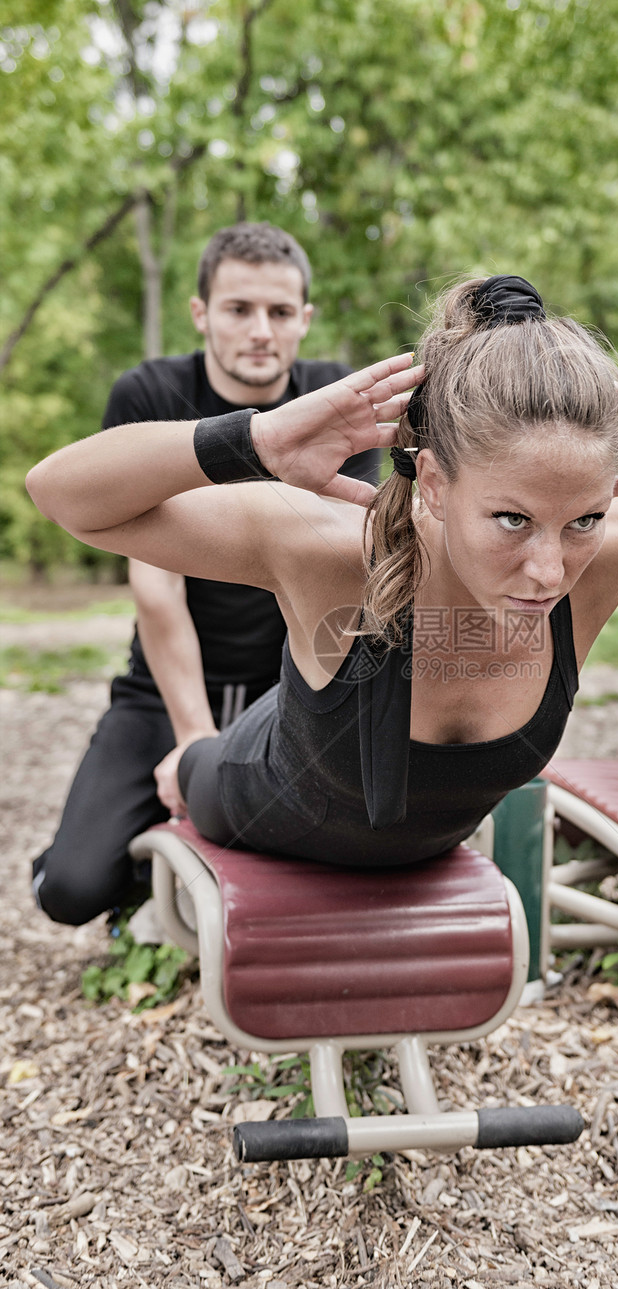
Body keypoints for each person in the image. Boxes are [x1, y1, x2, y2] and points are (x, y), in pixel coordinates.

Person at [26, 275, 618, 872]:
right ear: (434, 481)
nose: (550, 567)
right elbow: (63, 494)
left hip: (403, 841)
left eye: (585, 519)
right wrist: (257, 442)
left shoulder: (608, 557)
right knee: (178, 785)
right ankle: (182, 766)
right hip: (251, 790)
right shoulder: (327, 549)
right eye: (512, 519)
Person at [31, 222, 378, 923]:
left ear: (304, 321)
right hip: (160, 688)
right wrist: (193, 738)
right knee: (69, 890)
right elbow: (155, 588)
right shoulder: (151, 394)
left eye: (280, 313)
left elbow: (338, 577)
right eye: (238, 309)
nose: (261, 330)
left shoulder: (338, 404)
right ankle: (146, 873)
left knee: (331, 863)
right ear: (200, 314)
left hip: (284, 683)